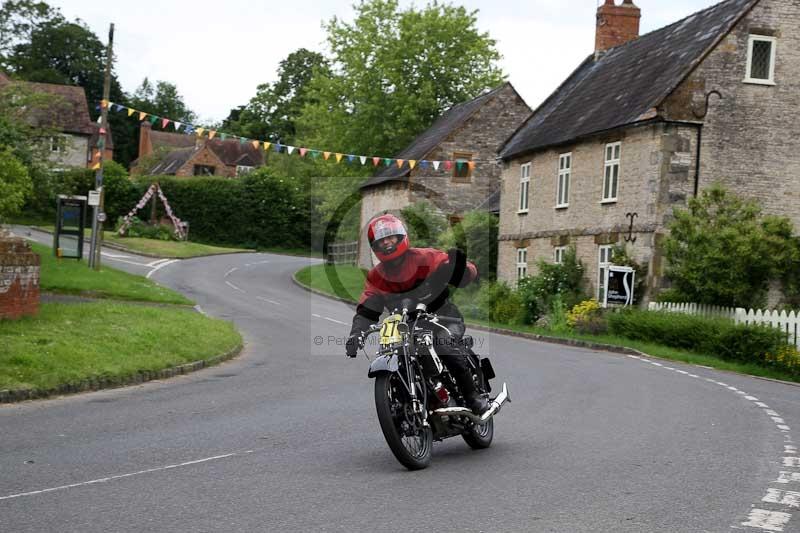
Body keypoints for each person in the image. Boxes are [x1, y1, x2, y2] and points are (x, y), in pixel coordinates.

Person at [344, 214, 488, 414]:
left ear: (401, 237)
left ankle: (473, 397)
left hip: (443, 318)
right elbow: (368, 307)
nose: (386, 242)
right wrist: (356, 333)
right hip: (406, 326)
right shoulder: (376, 276)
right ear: (374, 245)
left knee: (443, 344)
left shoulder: (425, 257)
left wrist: (459, 269)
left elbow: (463, 273)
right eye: (380, 240)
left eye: (390, 237)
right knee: (394, 351)